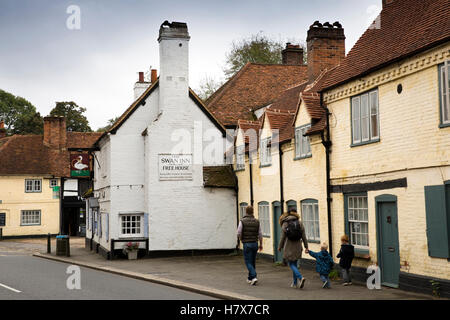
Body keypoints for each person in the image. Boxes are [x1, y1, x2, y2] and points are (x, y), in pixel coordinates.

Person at [278, 208, 308, 289]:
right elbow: (304, 236)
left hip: (289, 246)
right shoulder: (299, 222)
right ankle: (295, 283)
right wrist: (306, 247)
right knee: (294, 264)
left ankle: (300, 277)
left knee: (291, 264)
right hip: (298, 246)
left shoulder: (285, 223)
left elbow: (283, 237)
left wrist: (280, 246)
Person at [237, 205, 263, 285]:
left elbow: (238, 232)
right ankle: (250, 278)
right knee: (252, 261)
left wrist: (241, 239)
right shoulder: (257, 221)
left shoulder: (242, 221)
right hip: (255, 243)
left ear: (246, 211)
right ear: (252, 211)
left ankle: (254, 276)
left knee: (248, 262)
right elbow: (260, 234)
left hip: (247, 243)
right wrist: (261, 244)